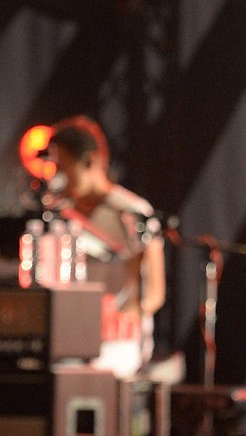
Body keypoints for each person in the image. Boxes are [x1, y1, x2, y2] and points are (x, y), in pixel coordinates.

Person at [43, 115, 166, 365]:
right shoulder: (56, 213)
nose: (58, 176)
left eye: (64, 167)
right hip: (68, 335)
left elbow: (155, 291)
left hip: (117, 342)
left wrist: (130, 313)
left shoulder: (132, 211)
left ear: (90, 161)